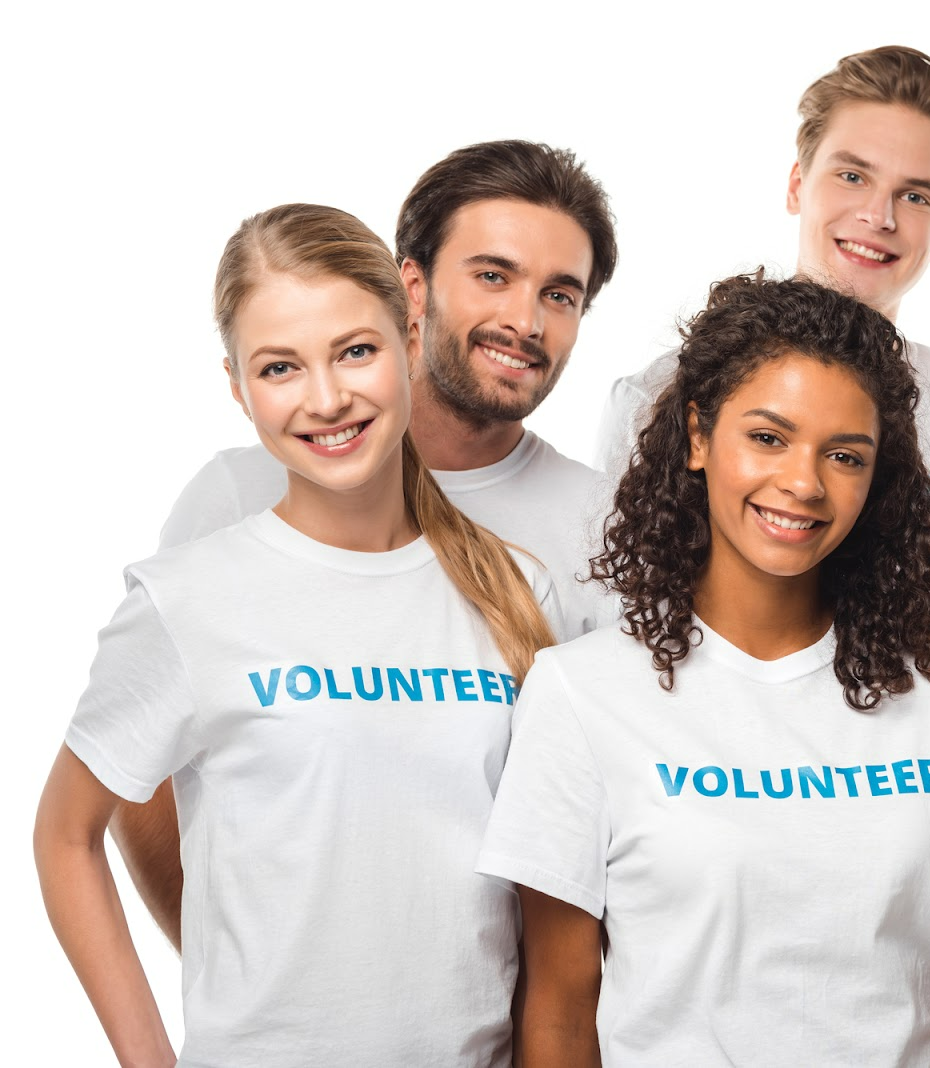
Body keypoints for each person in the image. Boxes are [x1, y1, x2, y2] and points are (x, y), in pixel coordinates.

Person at [477, 272, 930, 1065]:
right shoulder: (582, 694)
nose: (803, 482)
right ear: (697, 437)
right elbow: (557, 1009)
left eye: (845, 455)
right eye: (768, 437)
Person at [34, 204, 561, 1066]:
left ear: (409, 340)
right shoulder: (187, 600)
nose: (327, 398)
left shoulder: (514, 588)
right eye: (281, 367)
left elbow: (546, 883)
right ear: (239, 387)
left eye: (356, 350)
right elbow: (65, 835)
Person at [112, 139, 618, 950]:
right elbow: (140, 780)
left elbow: (606, 824)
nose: (525, 321)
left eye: (560, 294)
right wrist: (239, 976)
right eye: (493, 274)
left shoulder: (608, 528)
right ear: (410, 287)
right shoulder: (241, 494)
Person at [594, 45, 930, 501]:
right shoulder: (650, 399)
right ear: (797, 187)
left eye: (916, 197)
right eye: (852, 176)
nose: (877, 215)